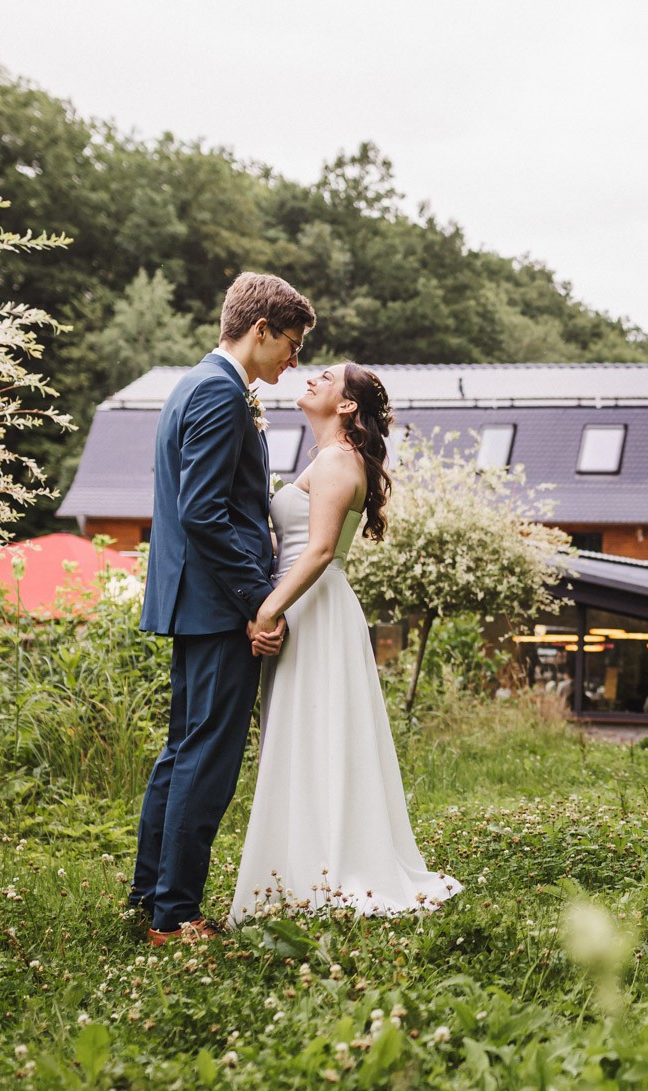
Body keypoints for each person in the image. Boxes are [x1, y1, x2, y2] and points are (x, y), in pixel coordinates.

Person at [229, 364, 464, 921]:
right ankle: (303, 869)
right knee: (306, 735)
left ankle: (324, 872)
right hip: (304, 605)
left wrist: (266, 611)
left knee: (317, 736)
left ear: (347, 406)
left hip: (311, 607)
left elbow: (319, 551)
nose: (310, 378)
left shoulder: (337, 460)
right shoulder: (327, 458)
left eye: (326, 377)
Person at [133, 273, 313, 946]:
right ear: (259, 329)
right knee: (206, 761)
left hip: (196, 601)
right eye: (290, 346)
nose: (292, 364)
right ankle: (174, 916)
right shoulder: (219, 393)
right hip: (217, 605)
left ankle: (151, 894)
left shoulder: (194, 384)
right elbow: (204, 512)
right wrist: (258, 601)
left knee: (183, 753)